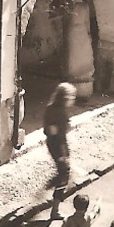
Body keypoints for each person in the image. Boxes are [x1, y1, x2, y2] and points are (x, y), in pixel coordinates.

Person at [42, 82, 76, 220]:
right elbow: (60, 134)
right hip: (59, 145)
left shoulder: (50, 108)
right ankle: (55, 210)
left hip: (52, 143)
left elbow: (48, 129)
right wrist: (64, 155)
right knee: (63, 176)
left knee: (63, 172)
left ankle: (54, 182)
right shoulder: (61, 112)